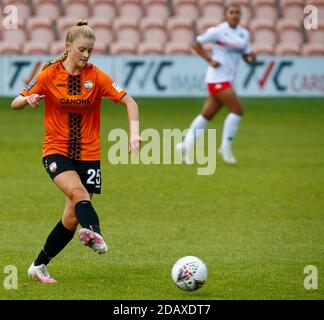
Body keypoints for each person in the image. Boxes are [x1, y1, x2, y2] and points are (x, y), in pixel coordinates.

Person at [11, 20, 140, 283]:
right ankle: (94, 233)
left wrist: (135, 133)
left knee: (70, 218)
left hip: (89, 153)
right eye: (82, 49)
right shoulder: (49, 74)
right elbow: (15, 103)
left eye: (90, 50)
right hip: (56, 150)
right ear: (68, 47)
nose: (86, 55)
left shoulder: (96, 76)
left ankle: (39, 265)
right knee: (79, 194)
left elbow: (129, 101)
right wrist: (28, 99)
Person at [177, 4, 256, 165]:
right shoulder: (219, 31)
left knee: (206, 116)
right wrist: (209, 59)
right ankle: (225, 147)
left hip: (227, 79)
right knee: (237, 111)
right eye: (231, 12)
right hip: (217, 79)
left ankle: (185, 146)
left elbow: (246, 55)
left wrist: (251, 58)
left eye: (237, 13)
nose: (235, 15)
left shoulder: (244, 34)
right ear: (225, 16)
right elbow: (196, 43)